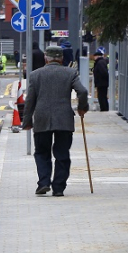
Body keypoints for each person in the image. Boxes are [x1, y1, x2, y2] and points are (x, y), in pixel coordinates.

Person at [23, 45, 89, 197]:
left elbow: (30, 100)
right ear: (61, 58)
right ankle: (58, 188)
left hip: (42, 118)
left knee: (41, 152)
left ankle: (44, 183)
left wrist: (27, 121)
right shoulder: (70, 73)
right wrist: (82, 107)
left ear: (46, 58)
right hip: (64, 119)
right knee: (62, 154)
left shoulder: (35, 75)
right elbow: (83, 91)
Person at [93, 47, 110, 112]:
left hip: (101, 83)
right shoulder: (101, 62)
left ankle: (104, 108)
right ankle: (104, 108)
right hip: (102, 82)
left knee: (102, 96)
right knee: (102, 96)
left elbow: (104, 72)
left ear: (97, 56)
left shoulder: (100, 63)